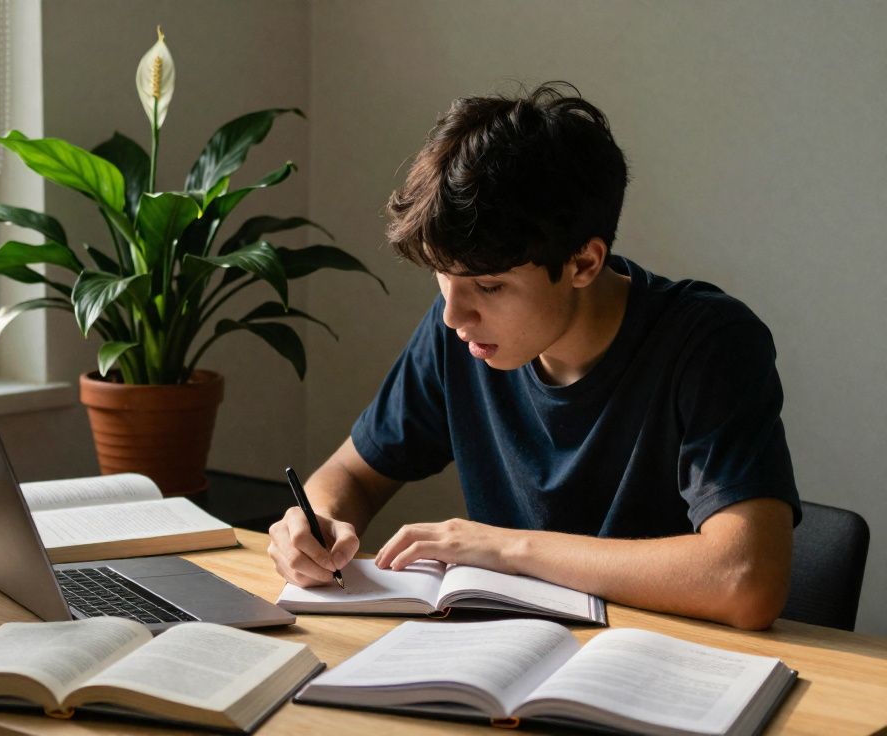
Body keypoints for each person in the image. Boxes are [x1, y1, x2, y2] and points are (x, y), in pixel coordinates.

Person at [267, 82, 800, 630]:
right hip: (512, 653)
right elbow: (352, 475)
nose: (454, 316)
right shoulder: (462, 331)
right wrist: (313, 523)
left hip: (663, 667)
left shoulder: (709, 341)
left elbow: (746, 579)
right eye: (442, 280)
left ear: (584, 263)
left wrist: (505, 549)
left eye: (489, 287)